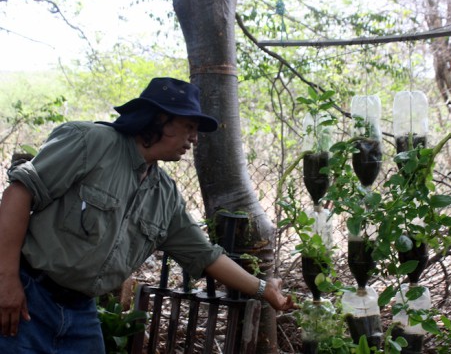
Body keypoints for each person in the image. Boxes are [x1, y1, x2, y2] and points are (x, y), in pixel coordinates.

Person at [0, 77, 295, 352]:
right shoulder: (91, 142)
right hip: (28, 295)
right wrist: (7, 280)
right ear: (158, 118)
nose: (194, 139)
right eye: (188, 126)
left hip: (81, 310)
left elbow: (205, 256)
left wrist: (263, 289)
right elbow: (19, 193)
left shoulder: (164, 195)